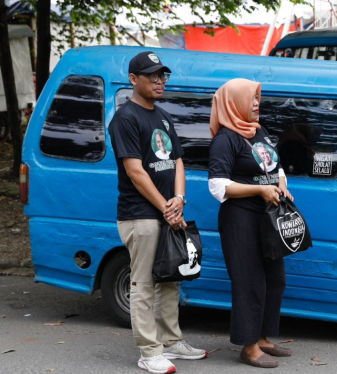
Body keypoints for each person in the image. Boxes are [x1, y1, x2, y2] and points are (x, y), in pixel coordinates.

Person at [108, 51, 207, 374]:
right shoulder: (125, 119)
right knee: (143, 283)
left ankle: (171, 341)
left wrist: (179, 197)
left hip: (167, 213)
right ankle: (149, 351)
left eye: (162, 76)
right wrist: (166, 207)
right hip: (141, 214)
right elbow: (135, 172)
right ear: (134, 80)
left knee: (170, 279)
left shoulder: (162, 116)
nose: (159, 81)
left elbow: (177, 160)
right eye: (151, 76)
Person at [208, 78, 293, 369]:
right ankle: (248, 346)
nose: (257, 104)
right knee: (249, 283)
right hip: (240, 220)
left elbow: (276, 166)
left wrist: (281, 184)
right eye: (251, 99)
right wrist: (258, 190)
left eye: (258, 98)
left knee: (275, 279)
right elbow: (218, 187)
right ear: (235, 103)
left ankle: (263, 338)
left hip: (267, 218)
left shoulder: (259, 131)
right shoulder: (225, 139)